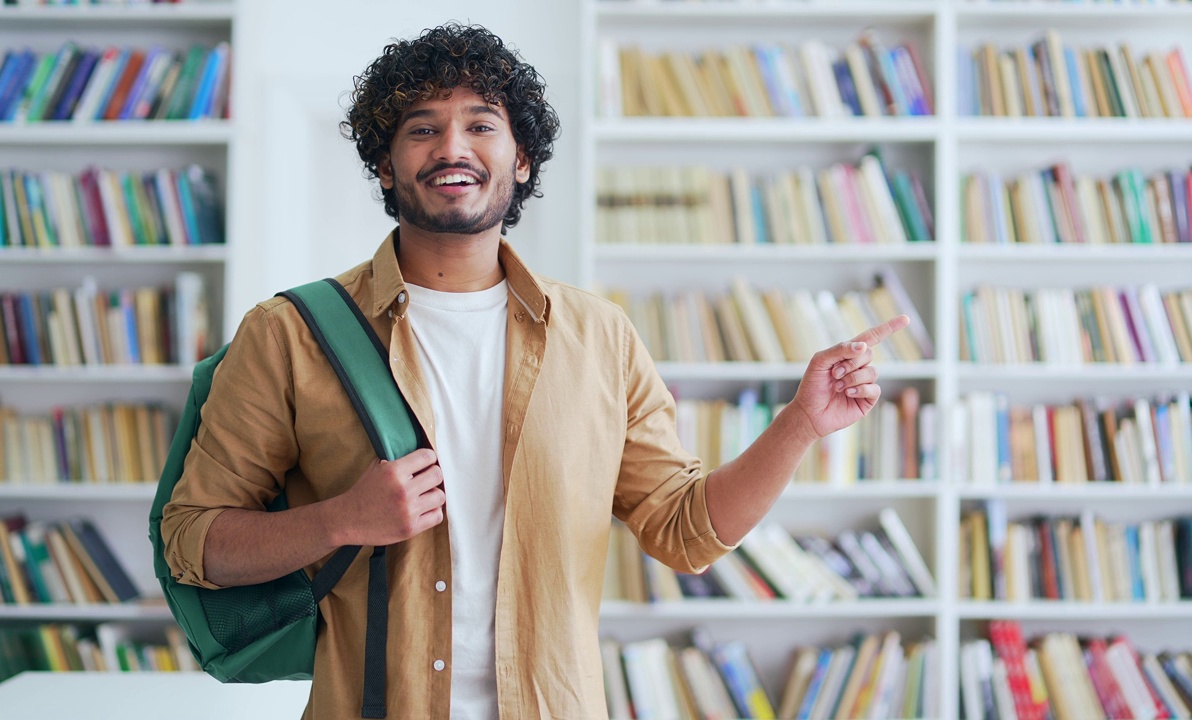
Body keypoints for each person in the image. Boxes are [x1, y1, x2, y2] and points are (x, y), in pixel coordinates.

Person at [160, 21, 908, 720]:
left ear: (520, 160)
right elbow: (193, 542)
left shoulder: (600, 337)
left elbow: (685, 533)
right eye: (423, 128)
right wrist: (341, 520)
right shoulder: (288, 335)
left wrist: (801, 423)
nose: (452, 146)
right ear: (385, 166)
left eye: (481, 124)